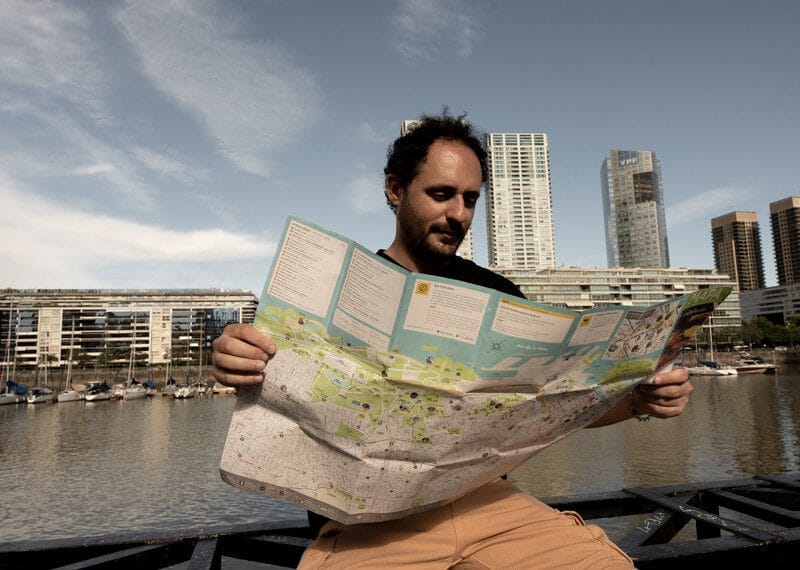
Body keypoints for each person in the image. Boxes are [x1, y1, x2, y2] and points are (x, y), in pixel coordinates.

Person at [211, 113, 694, 569]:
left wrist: (640, 401)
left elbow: (552, 407)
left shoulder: (501, 294)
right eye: (441, 194)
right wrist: (238, 359)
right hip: (367, 521)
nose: (458, 213)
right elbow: (274, 380)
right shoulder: (334, 291)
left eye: (470, 199)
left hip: (488, 504)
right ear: (395, 189)